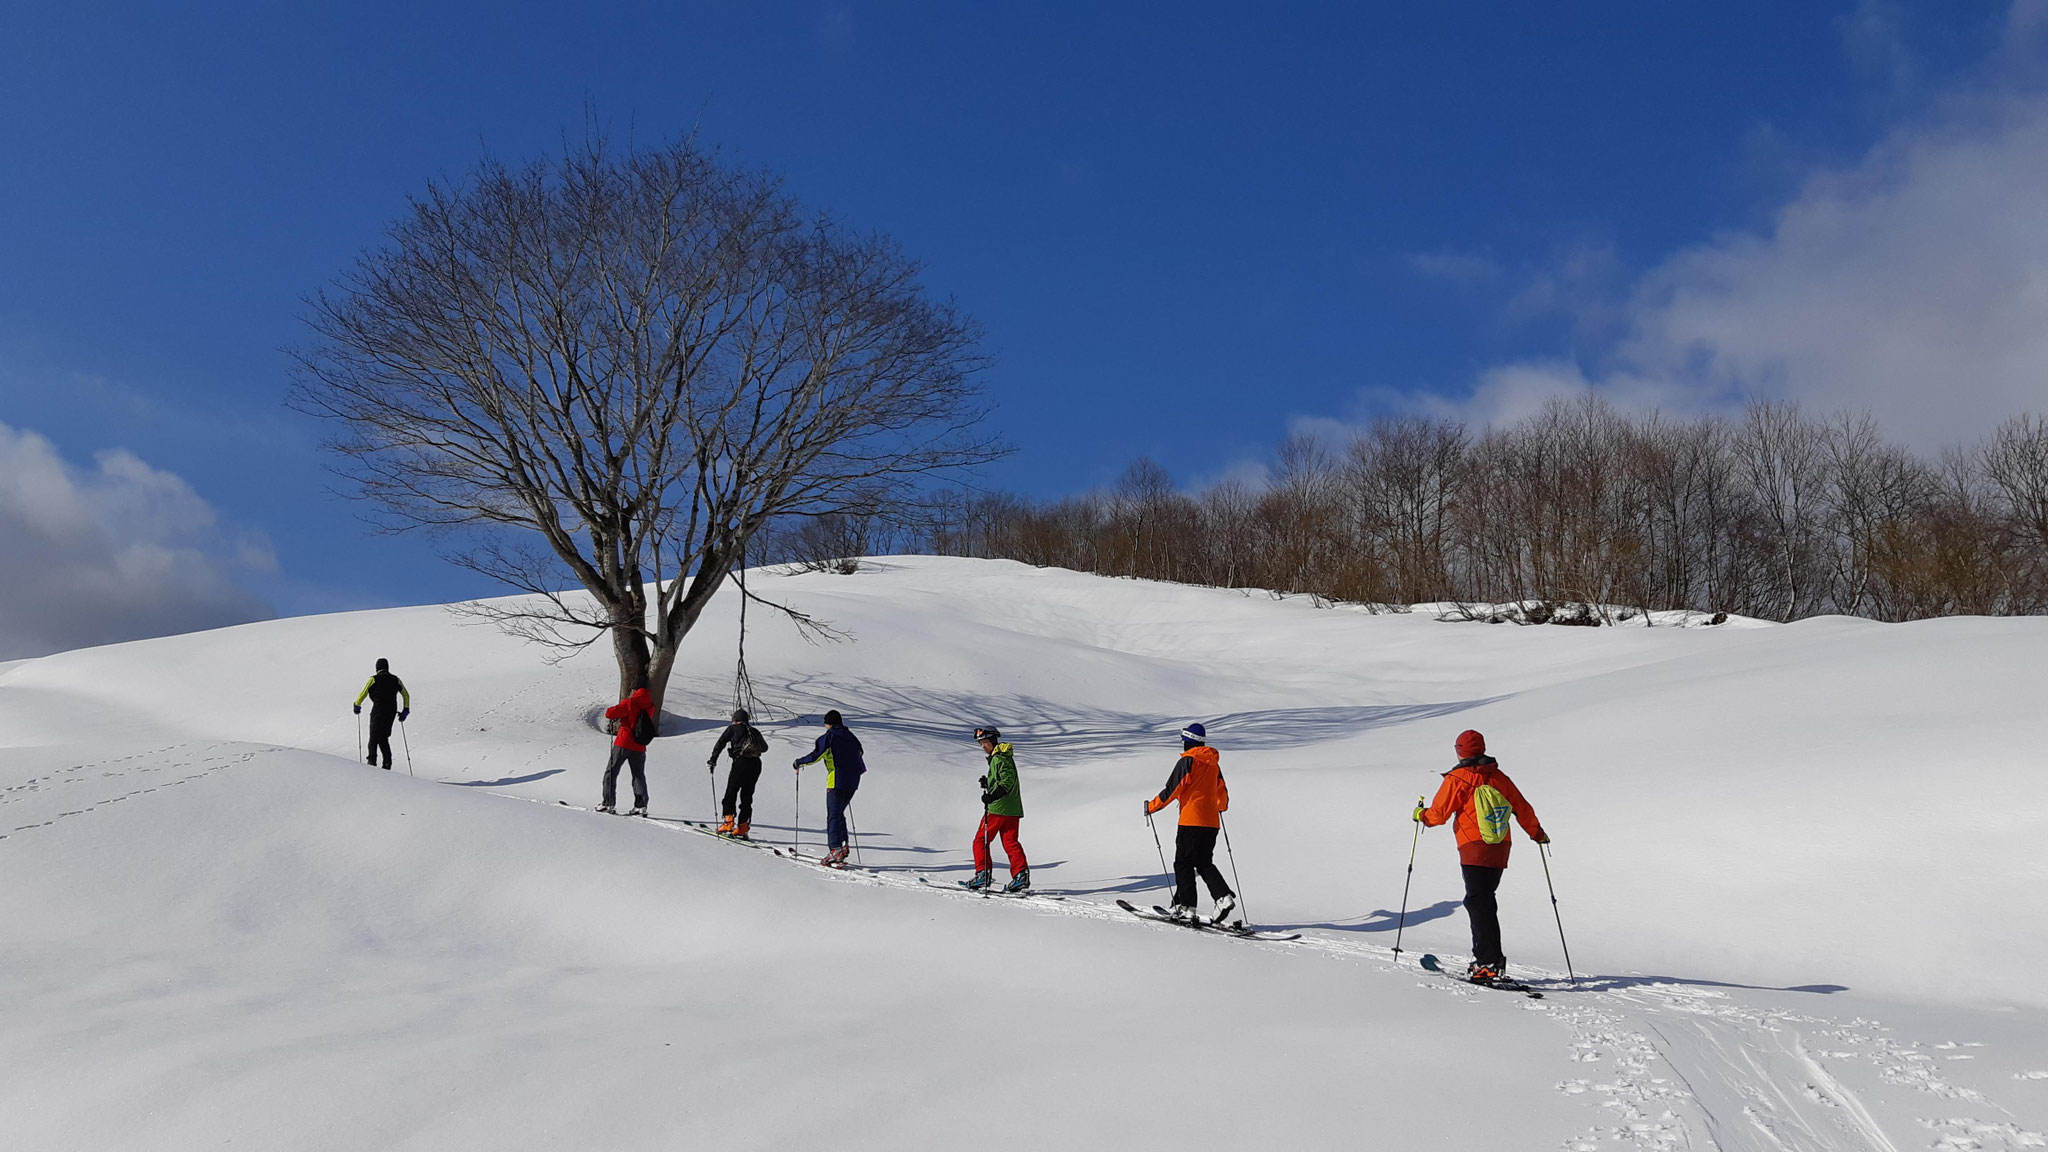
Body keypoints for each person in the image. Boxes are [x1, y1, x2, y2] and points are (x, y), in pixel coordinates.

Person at [1415, 729, 1549, 983]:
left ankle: (1487, 964)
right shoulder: (1499, 777)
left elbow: (1438, 815)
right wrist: (1537, 833)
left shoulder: (1458, 778)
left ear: (1460, 751)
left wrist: (1420, 815)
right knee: (1484, 900)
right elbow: (1522, 807)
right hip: (1500, 846)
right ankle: (1487, 960)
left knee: (1479, 902)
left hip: (1474, 845)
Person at [1143, 722, 1236, 924]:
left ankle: (1187, 907)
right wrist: (1218, 807)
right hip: (1211, 823)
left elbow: (1172, 790)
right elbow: (1223, 796)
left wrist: (1151, 807)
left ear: (1188, 742)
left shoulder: (1188, 762)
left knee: (1183, 863)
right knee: (1203, 863)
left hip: (1191, 820)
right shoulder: (1214, 764)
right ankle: (1223, 897)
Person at [792, 709, 865, 866]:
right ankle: (843, 846)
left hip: (836, 780)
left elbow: (816, 755)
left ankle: (835, 849)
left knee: (833, 815)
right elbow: (860, 752)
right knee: (839, 813)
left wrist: (799, 762)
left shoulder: (829, 737)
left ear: (829, 723)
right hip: (853, 781)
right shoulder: (851, 737)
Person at [963, 726, 1028, 892]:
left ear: (992, 741)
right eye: (980, 743)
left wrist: (992, 796)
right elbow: (1003, 779)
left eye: (985, 742)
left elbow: (1006, 782)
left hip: (999, 809)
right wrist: (989, 784)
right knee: (1010, 842)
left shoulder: (1000, 758)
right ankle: (1021, 876)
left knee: (980, 841)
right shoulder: (1000, 758)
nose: (983, 746)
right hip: (1012, 809)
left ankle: (983, 874)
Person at [707, 708, 768, 838]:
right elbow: (765, 748)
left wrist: (713, 760)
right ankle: (743, 827)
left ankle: (728, 823)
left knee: (731, 791)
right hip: (756, 764)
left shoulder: (732, 729)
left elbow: (720, 744)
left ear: (735, 720)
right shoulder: (754, 731)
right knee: (747, 796)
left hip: (740, 763)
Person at [600, 684, 657, 816]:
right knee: (638, 775)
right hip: (640, 745)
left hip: (624, 742)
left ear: (634, 690)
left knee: (611, 772)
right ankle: (641, 805)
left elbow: (610, 713)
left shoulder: (631, 702)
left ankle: (608, 803)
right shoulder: (650, 704)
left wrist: (625, 703)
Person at [351, 658, 411, 770]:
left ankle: (372, 762)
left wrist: (357, 705)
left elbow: (363, 693)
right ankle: (387, 764)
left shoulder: (373, 679)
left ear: (377, 668)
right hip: (391, 711)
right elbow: (406, 695)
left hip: (378, 710)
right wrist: (405, 710)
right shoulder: (395, 679)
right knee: (384, 737)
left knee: (373, 737)